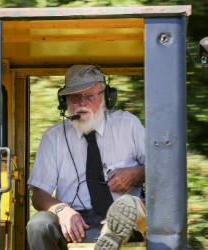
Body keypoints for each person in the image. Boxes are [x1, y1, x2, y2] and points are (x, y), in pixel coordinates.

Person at [26, 65, 146, 250]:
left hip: (126, 213)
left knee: (129, 205)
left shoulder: (128, 125)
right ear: (64, 101)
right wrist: (62, 211)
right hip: (75, 219)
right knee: (38, 224)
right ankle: (107, 239)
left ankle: (112, 232)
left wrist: (136, 173)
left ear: (106, 97)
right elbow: (39, 195)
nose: (82, 103)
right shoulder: (53, 137)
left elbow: (161, 170)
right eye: (75, 97)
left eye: (89, 96)